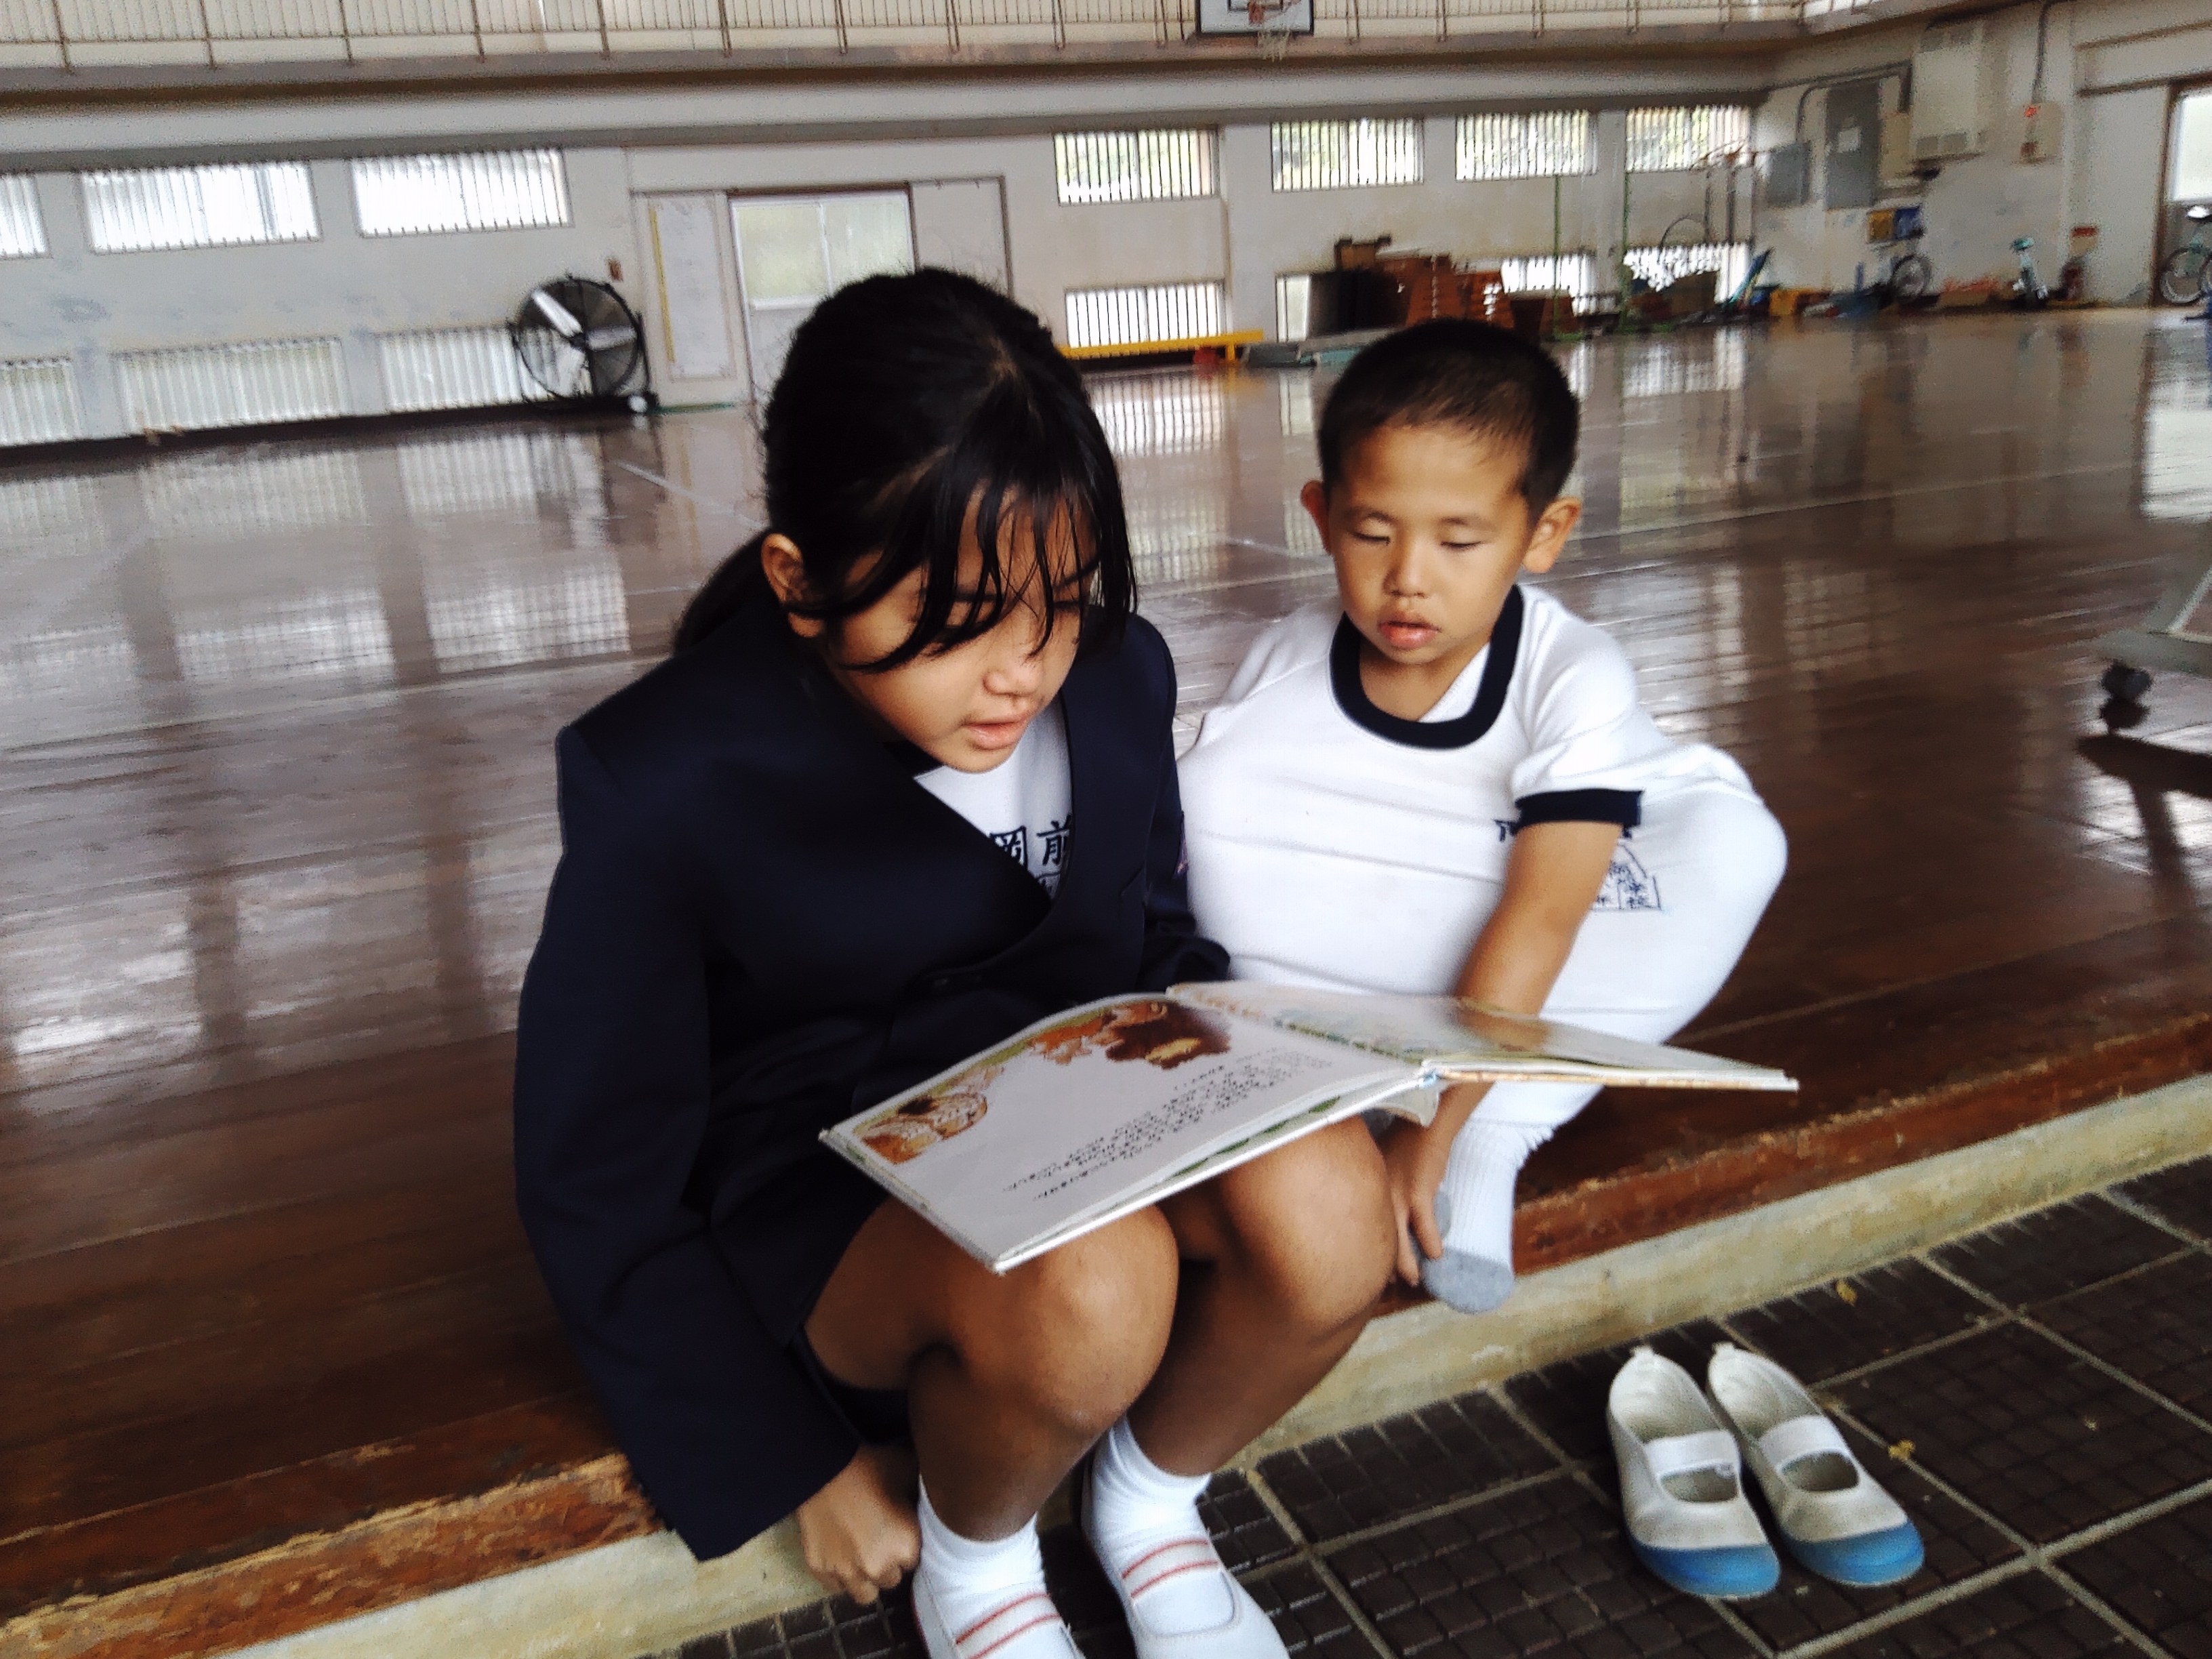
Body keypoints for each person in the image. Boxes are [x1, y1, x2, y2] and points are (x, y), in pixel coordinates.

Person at [512, 269, 1393, 1659]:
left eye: (1061, 598)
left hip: (1080, 1122)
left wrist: (1273, 1070)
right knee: (1093, 1278)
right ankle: (979, 1570)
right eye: (963, 614)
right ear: (801, 582)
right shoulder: (671, 775)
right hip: (848, 1208)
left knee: (1338, 1200)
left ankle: (1150, 1505)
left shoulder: (1117, 674)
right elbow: (594, 1175)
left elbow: (1154, 934)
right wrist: (791, 1461)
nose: (1020, 671)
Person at [1179, 319, 1786, 1316]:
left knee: (1733, 849)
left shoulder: (1569, 672)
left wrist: (1435, 1131)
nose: (1409, 577)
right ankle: (1343, 1086)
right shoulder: (1286, 658)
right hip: (1347, 970)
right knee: (1208, 800)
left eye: (1459, 541)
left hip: (1505, 941)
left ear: (1544, 532)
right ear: (1321, 516)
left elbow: (1543, 916)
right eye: (1371, 533)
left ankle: (1499, 1118)